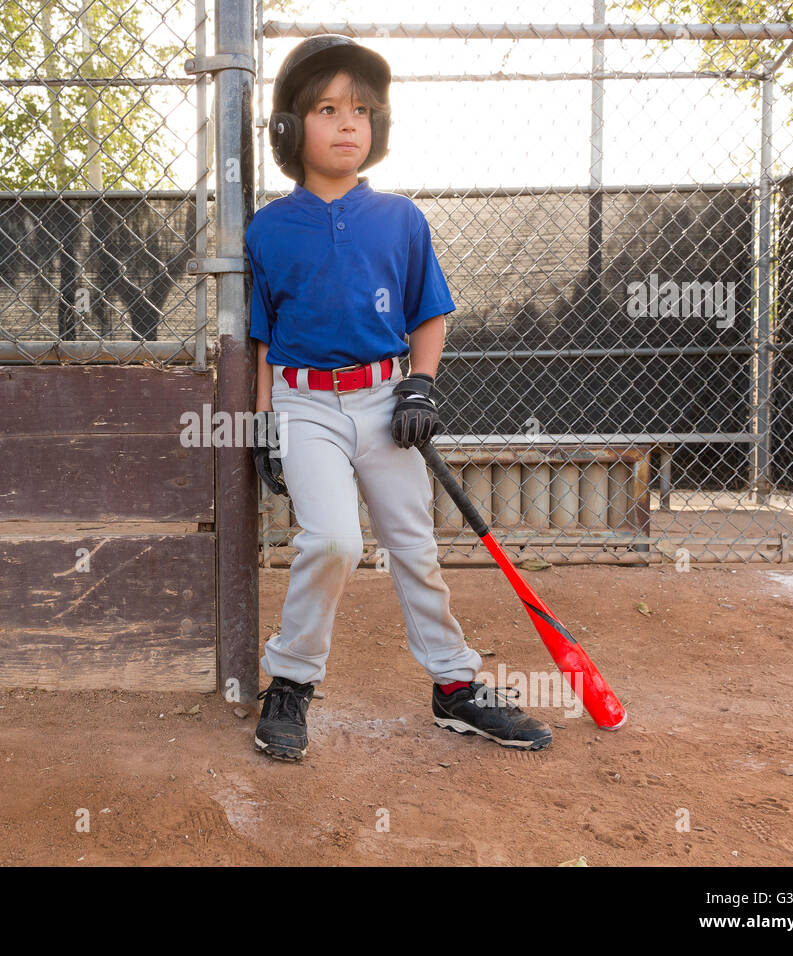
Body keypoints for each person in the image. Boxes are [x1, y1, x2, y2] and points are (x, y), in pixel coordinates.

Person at [245, 35, 553, 761]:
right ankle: (290, 682)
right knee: (332, 540)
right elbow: (263, 339)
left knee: (414, 547)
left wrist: (420, 383)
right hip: (304, 404)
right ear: (291, 130)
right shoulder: (268, 229)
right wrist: (260, 425)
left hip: (385, 400)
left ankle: (455, 688)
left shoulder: (401, 219)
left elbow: (428, 313)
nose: (348, 122)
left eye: (361, 109)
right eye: (326, 108)